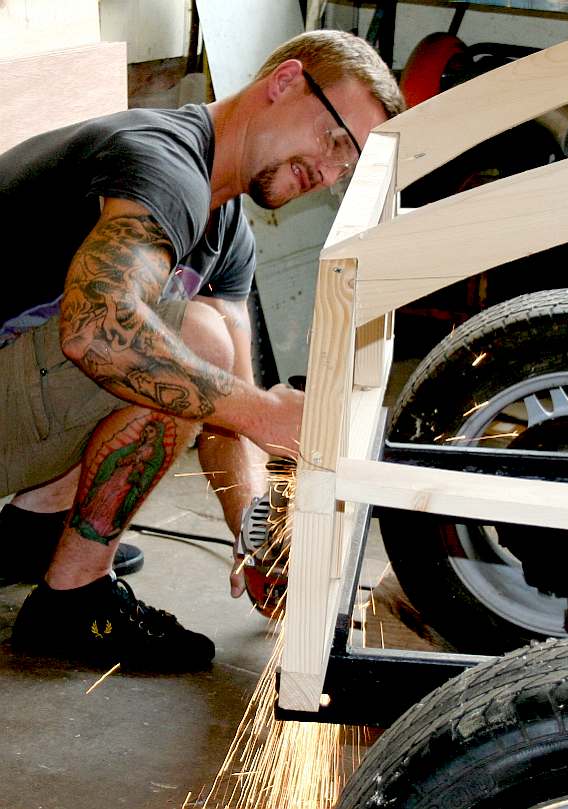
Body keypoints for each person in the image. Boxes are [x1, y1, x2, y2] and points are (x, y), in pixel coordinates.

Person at [0, 29, 405, 671]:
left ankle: (27, 537)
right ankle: (72, 602)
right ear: (284, 82)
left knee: (201, 358)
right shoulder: (161, 162)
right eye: (334, 141)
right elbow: (95, 327)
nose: (328, 173)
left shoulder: (226, 230)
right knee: (192, 339)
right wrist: (268, 414)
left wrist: (252, 537)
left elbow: (225, 405)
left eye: (345, 169)